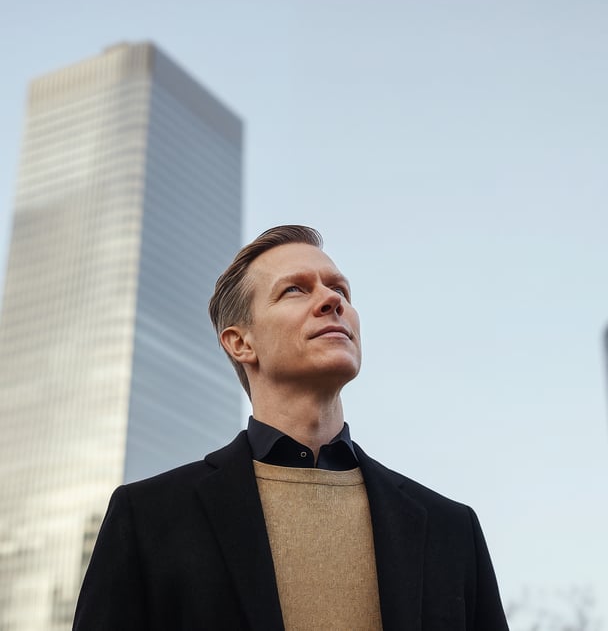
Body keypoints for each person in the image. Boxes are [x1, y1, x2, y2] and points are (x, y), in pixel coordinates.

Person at [73, 225, 508, 630]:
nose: (331, 300)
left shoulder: (453, 530)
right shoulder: (149, 517)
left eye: (339, 289)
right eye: (295, 290)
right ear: (241, 343)